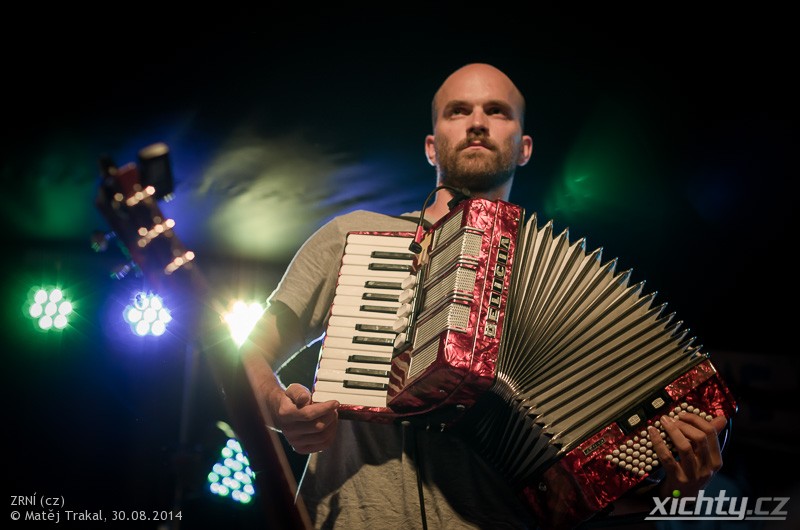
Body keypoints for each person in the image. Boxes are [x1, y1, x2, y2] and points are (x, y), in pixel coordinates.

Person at [239, 63, 728, 529]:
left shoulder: (558, 279)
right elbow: (248, 356)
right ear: (432, 146)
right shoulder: (357, 237)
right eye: (458, 111)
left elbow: (614, 488)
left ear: (524, 147)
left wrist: (675, 480)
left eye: (497, 111)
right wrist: (279, 411)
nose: (476, 123)